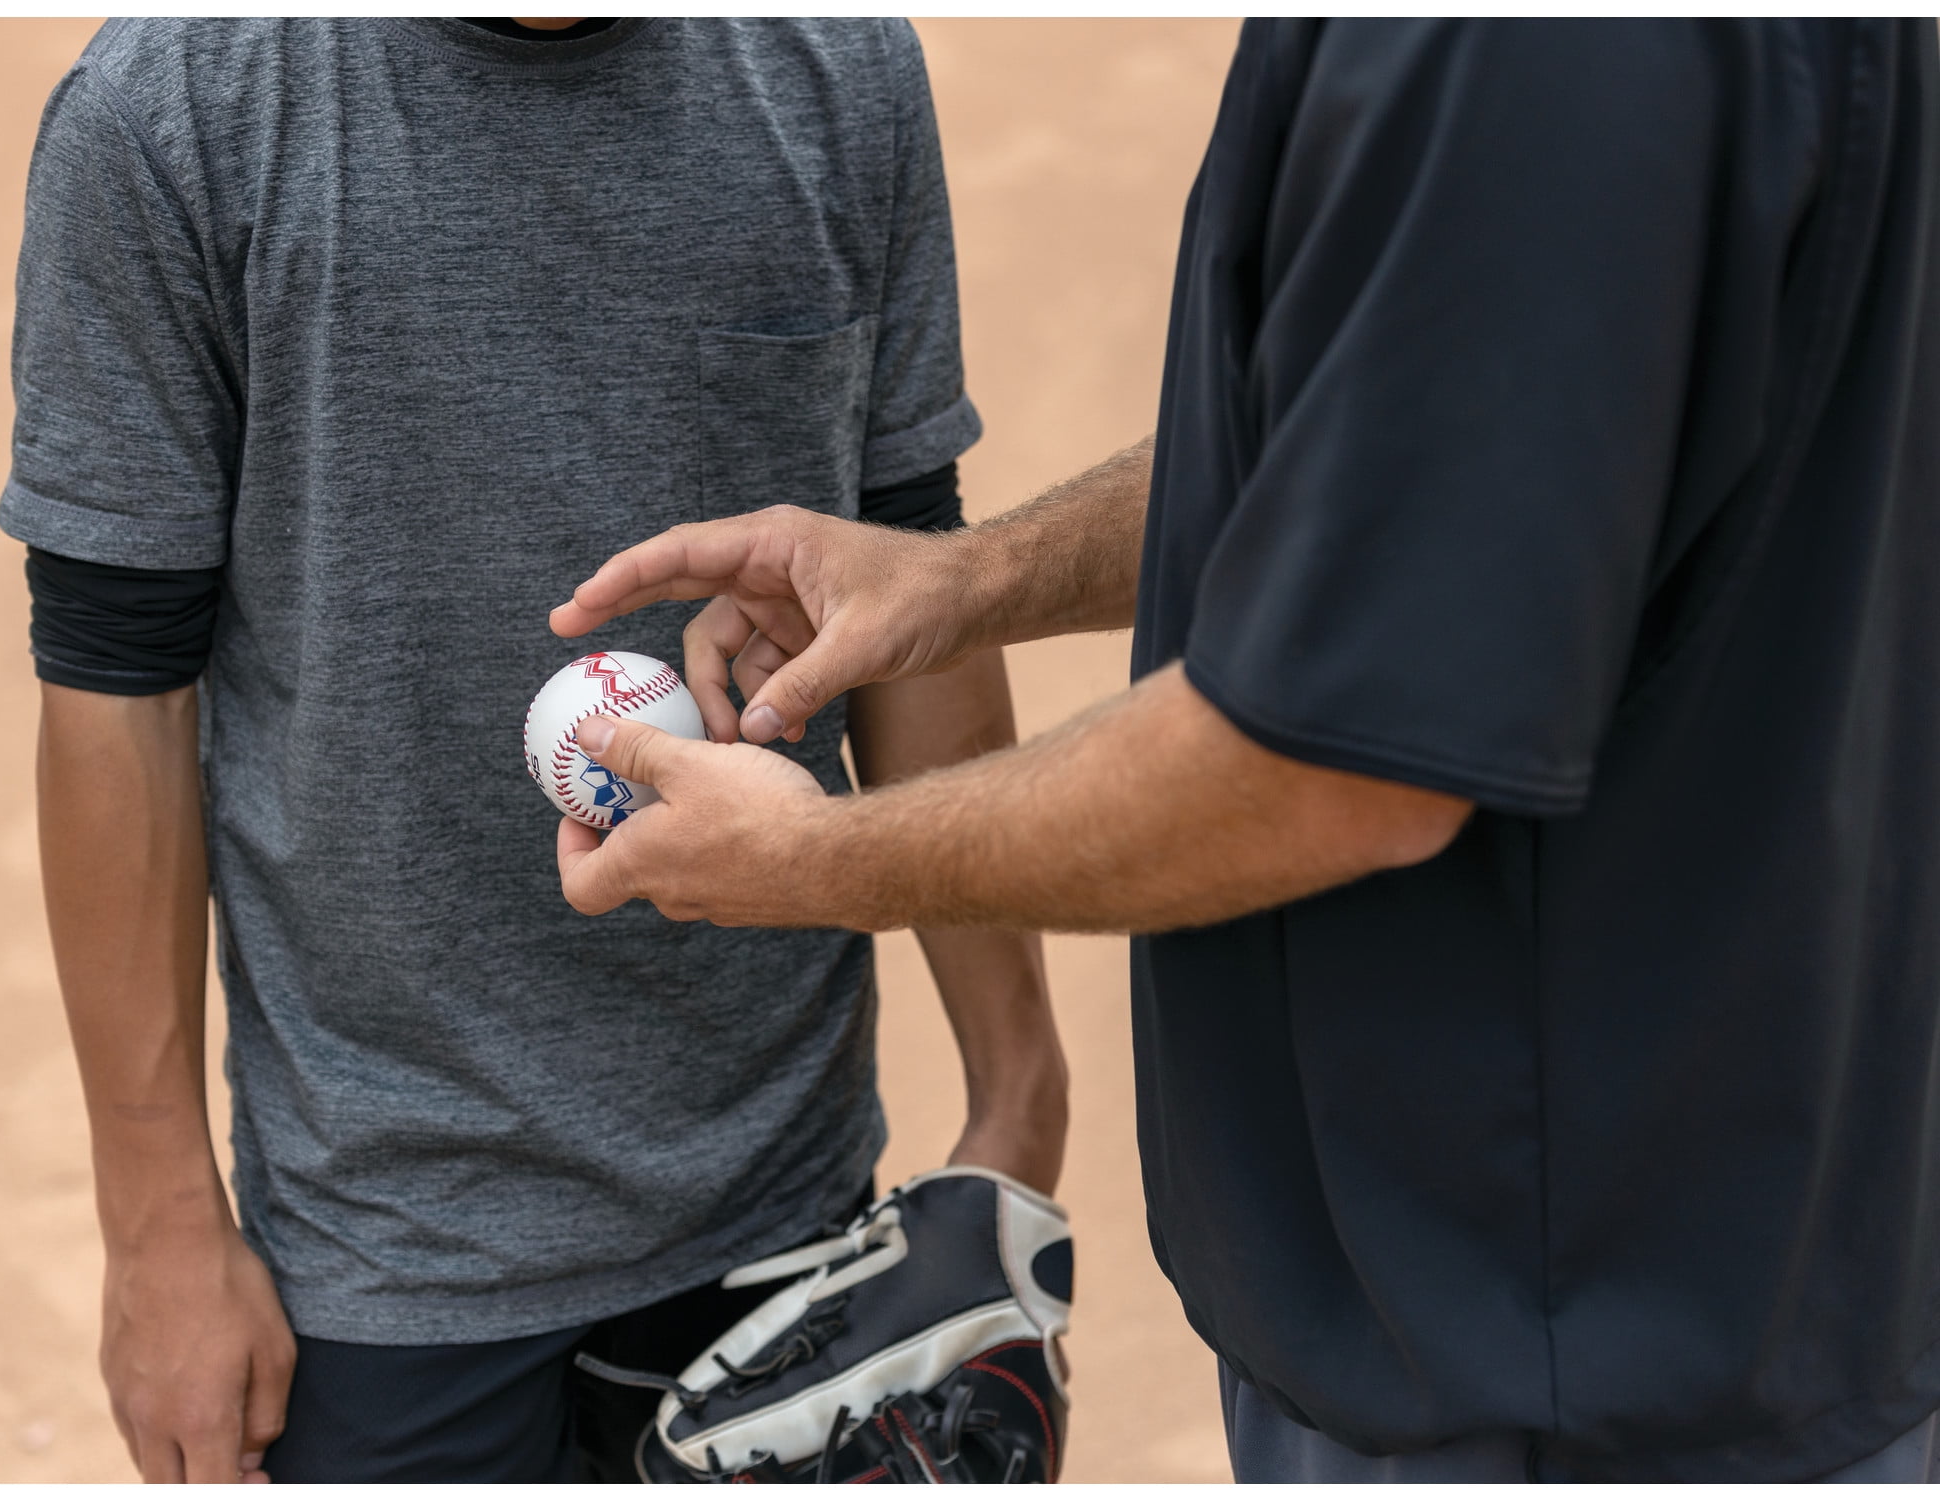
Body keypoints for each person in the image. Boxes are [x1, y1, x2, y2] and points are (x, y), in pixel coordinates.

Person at [550, 18, 1940, 1483]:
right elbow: (1393, 452)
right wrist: (968, 582)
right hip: (1684, 1262)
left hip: (1547, 1345)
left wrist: (813, 860)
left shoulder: (1517, 54)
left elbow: (1342, 767)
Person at [0, 16, 1068, 1483]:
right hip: (386, 1245)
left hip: (788, 1209)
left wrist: (1020, 1090)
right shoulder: (171, 108)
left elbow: (911, 581)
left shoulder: (837, 62)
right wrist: (159, 1228)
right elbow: (117, 684)